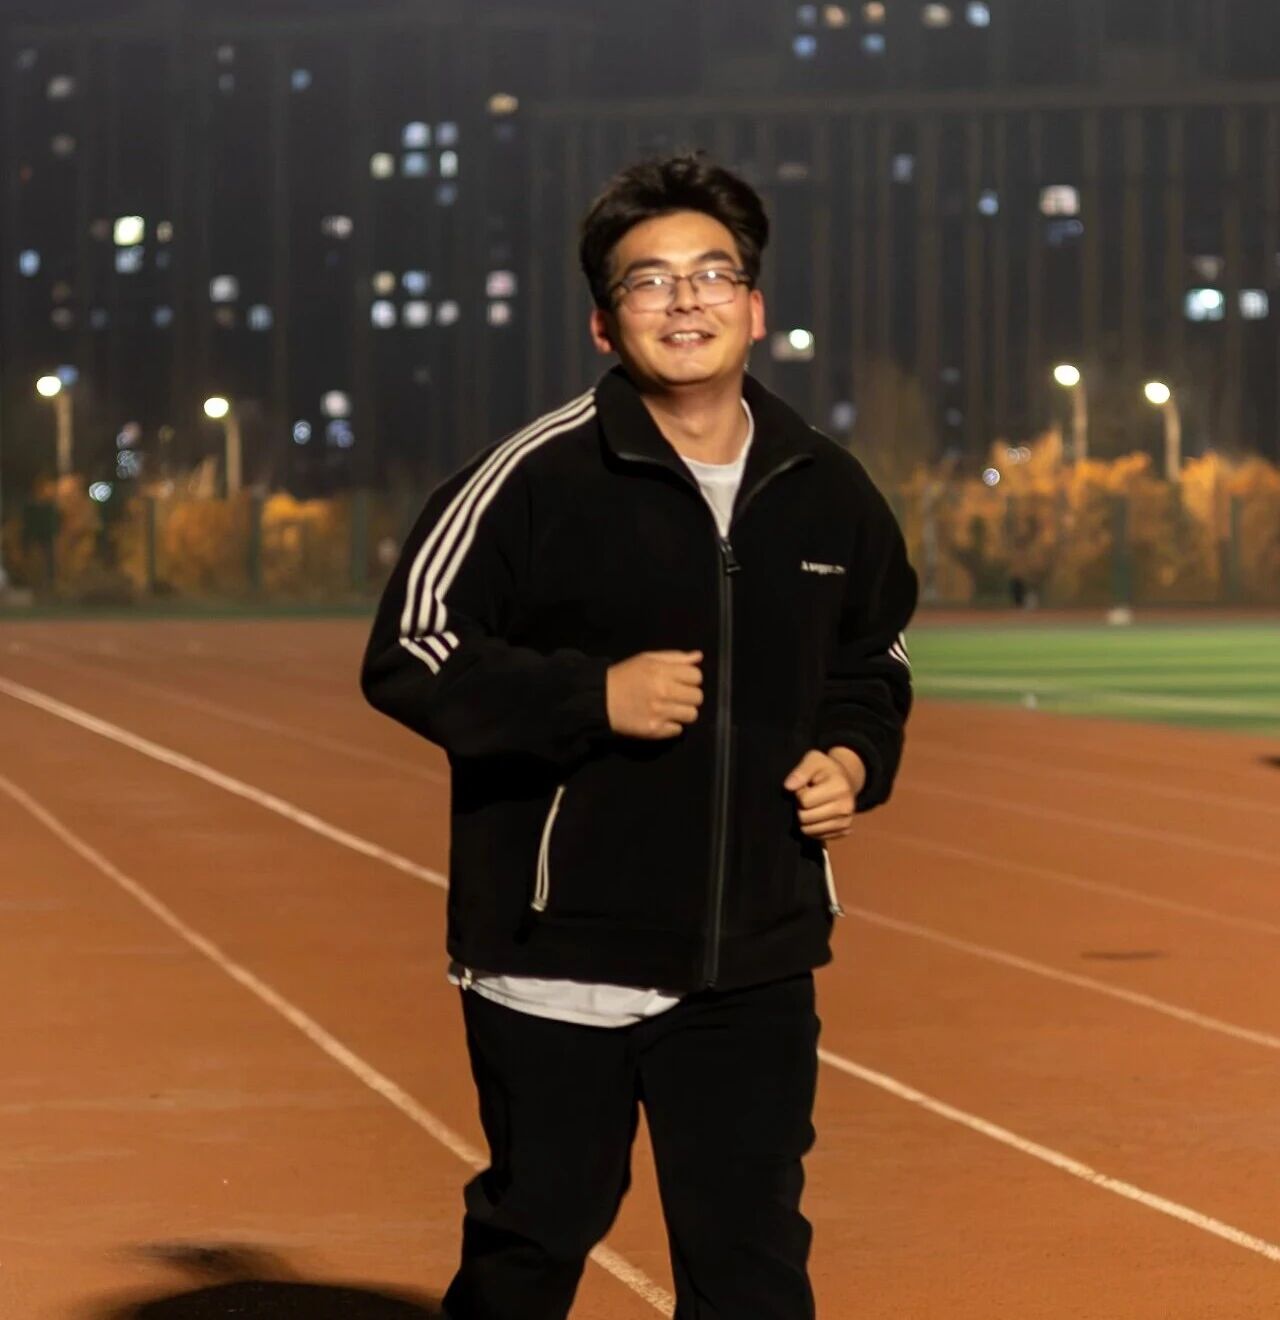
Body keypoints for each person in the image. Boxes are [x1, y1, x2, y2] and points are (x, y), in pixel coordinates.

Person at [361, 151, 917, 1320]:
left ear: (753, 308)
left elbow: (873, 657)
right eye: (648, 280)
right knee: (535, 1238)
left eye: (710, 274)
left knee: (752, 1264)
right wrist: (588, 698)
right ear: (604, 324)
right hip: (559, 956)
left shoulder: (825, 488)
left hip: (753, 956)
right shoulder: (533, 477)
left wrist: (852, 758)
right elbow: (409, 649)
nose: (683, 300)